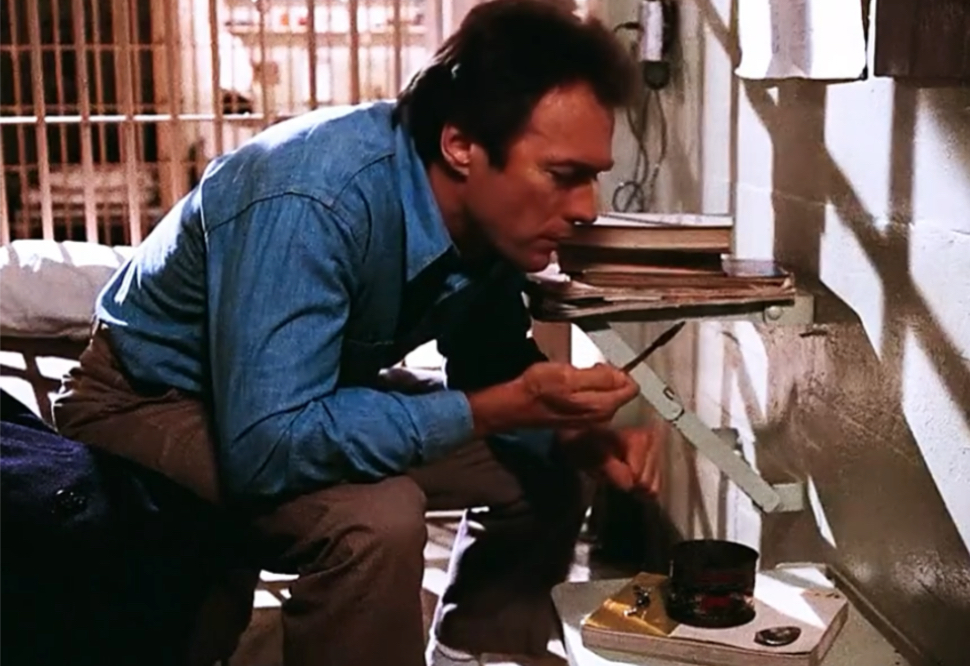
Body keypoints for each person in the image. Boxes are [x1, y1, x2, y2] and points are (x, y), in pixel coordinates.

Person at [53, 1, 661, 664]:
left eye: (592, 177)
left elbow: (488, 363)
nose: (587, 209)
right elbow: (268, 445)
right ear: (461, 146)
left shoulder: (486, 219)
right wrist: (502, 407)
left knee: (546, 461)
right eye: (563, 176)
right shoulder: (313, 196)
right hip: (150, 400)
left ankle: (476, 650)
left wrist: (566, 428)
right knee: (375, 521)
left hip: (307, 396)